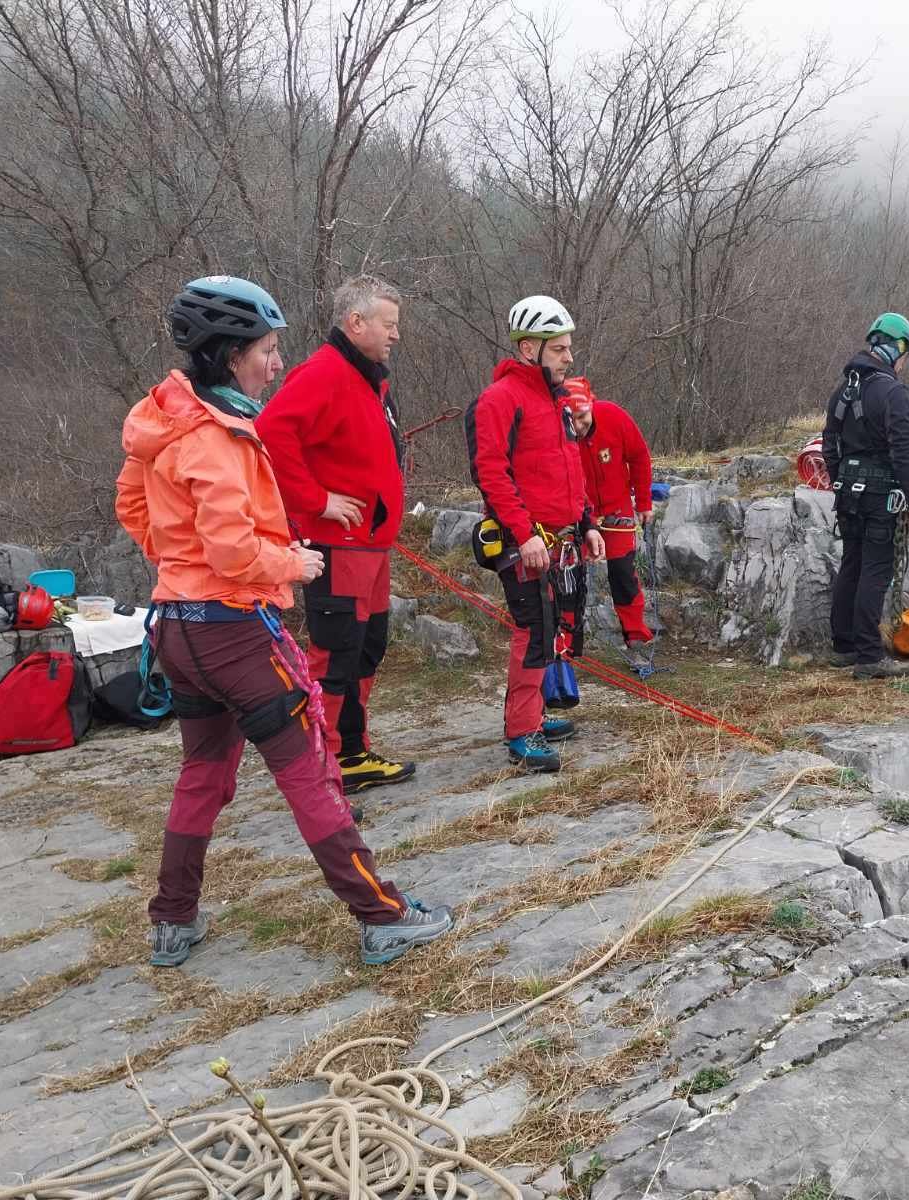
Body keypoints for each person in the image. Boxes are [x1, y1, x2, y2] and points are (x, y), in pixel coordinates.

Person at [116, 275, 453, 969]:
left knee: (202, 772)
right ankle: (381, 914)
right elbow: (234, 549)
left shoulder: (163, 423)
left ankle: (172, 920)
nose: (276, 363)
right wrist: (289, 564)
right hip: (236, 632)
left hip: (178, 629)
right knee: (310, 773)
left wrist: (181, 567)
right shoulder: (219, 438)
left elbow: (134, 509)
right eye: (267, 350)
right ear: (229, 354)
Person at [255, 276, 414, 795]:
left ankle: (352, 753)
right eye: (388, 325)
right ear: (357, 323)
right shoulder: (325, 371)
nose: (395, 335)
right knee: (335, 656)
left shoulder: (367, 378)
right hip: (339, 546)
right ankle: (322, 775)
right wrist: (318, 501)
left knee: (367, 649)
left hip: (371, 546)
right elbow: (273, 431)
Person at [466, 295, 605, 773]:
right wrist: (523, 535)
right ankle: (521, 732)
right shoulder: (500, 399)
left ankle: (534, 716)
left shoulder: (559, 401)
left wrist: (586, 523)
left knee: (551, 631)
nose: (569, 357)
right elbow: (491, 472)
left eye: (568, 348)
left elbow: (570, 470)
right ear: (529, 348)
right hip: (521, 541)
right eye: (559, 349)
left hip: (559, 537)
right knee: (532, 632)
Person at [822, 312, 909, 680]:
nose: (904, 362)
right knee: (876, 570)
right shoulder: (892, 393)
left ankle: (845, 645)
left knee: (852, 563)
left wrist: (840, 482)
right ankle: (868, 656)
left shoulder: (843, 390)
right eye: (905, 353)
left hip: (848, 495)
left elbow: (829, 446)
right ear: (896, 348)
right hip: (882, 496)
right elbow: (902, 451)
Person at [562, 376, 657, 673]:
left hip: (616, 510)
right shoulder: (558, 432)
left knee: (623, 574)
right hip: (577, 511)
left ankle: (636, 639)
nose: (579, 426)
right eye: (572, 420)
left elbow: (639, 456)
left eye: (583, 417)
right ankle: (565, 647)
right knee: (569, 579)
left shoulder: (614, 416)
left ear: (591, 407)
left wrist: (643, 502)